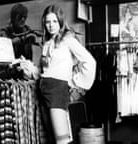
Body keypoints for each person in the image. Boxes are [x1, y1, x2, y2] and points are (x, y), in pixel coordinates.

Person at [13, 4, 96, 144]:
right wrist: (28, 66)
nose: (51, 25)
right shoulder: (47, 43)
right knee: (50, 138)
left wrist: (73, 82)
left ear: (61, 21)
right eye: (47, 22)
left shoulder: (68, 40)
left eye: (54, 21)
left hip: (57, 91)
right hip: (43, 91)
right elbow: (44, 72)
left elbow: (90, 61)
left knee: (61, 139)